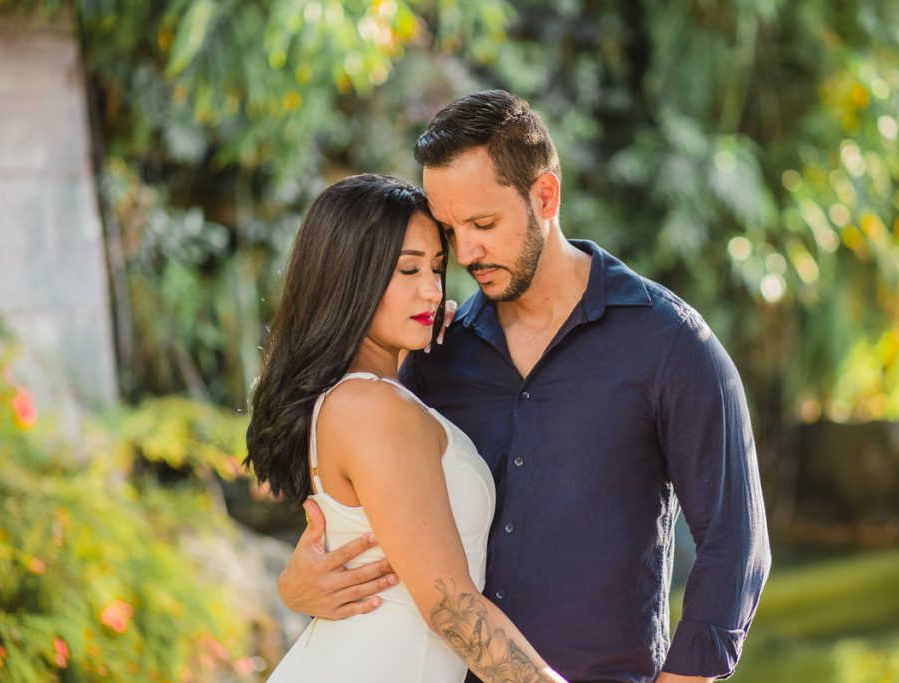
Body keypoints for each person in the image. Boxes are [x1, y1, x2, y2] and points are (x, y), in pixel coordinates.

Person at [278, 91, 772, 682]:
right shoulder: (436, 351)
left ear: (545, 195)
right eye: (450, 231)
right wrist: (298, 582)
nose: (465, 253)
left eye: (483, 224)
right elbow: (381, 507)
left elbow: (735, 546)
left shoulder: (668, 345)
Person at [244, 173, 568, 683]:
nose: (432, 289)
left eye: (437, 268)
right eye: (407, 269)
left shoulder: (363, 398)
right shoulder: (372, 407)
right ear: (350, 278)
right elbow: (451, 609)